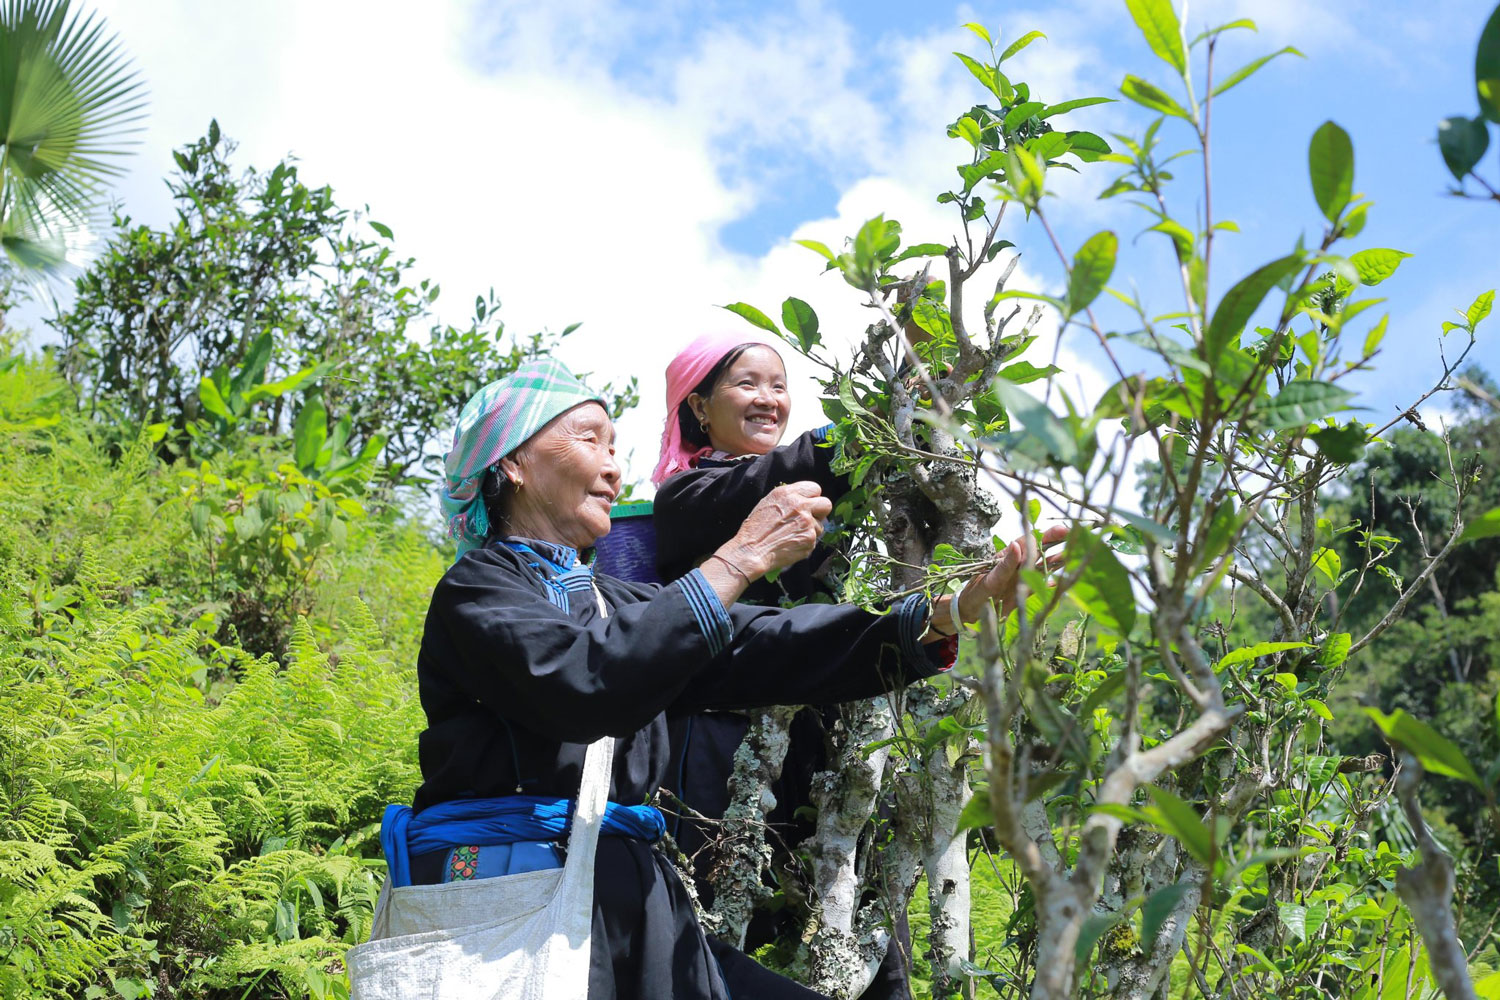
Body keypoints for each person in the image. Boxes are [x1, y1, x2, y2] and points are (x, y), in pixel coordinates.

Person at [397, 357, 1047, 1000]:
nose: (612, 464)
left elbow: (765, 642)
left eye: (616, 446)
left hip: (634, 908)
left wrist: (944, 616)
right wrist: (739, 557)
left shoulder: (611, 601)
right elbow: (585, 678)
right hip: (521, 908)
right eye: (588, 438)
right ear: (509, 464)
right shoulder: (477, 591)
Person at [650, 331, 908, 996]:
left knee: (850, 923)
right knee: (723, 929)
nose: (768, 399)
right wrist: (851, 432)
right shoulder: (686, 499)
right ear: (700, 407)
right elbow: (765, 481)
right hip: (721, 749)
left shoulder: (824, 506)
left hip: (820, 748)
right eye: (746, 384)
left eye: (778, 384)